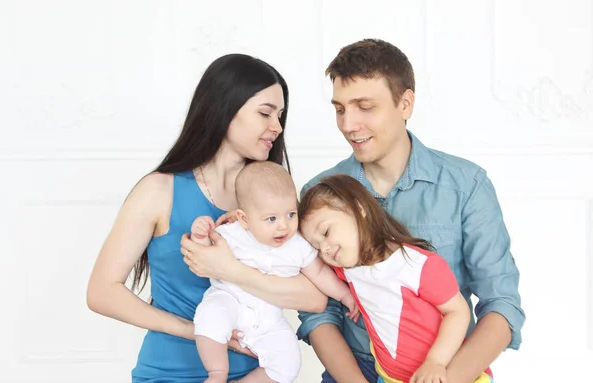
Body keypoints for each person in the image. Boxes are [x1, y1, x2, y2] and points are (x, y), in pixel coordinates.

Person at [86, 53, 328, 383]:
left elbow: (314, 297)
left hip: (254, 374)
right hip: (168, 373)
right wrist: (196, 331)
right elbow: (101, 292)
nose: (277, 127)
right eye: (265, 113)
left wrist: (229, 270)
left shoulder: (270, 200)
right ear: (225, 109)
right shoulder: (159, 190)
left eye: (280, 115)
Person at [296, 39, 525, 383]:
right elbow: (319, 312)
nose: (347, 124)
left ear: (405, 104)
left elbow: (502, 305)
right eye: (340, 108)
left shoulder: (466, 185)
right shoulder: (319, 195)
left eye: (364, 106)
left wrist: (444, 377)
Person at [299, 174, 495, 383]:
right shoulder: (347, 269)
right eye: (316, 247)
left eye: (326, 232)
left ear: (358, 209)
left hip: (445, 373)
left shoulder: (415, 264)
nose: (325, 249)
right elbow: (313, 271)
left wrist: (435, 362)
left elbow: (458, 311)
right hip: (390, 377)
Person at [190, 162, 358, 383]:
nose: (283, 226)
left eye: (290, 214)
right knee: (209, 318)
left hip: (268, 317)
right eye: (271, 219)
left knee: (288, 362)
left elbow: (319, 273)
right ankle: (217, 373)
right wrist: (200, 235)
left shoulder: (298, 244)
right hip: (229, 300)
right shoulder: (232, 233)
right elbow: (204, 256)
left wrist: (345, 296)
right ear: (244, 219)